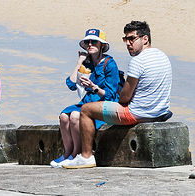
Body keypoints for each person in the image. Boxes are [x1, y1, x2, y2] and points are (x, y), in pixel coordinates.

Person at [68, 20, 172, 169]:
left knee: (86, 110)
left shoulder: (138, 61)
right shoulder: (162, 56)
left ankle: (86, 156)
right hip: (160, 111)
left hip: (137, 114)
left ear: (145, 39)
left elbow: (124, 98)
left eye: (132, 39)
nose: (128, 43)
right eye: (125, 39)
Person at [54, 29, 123, 168]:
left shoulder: (109, 64)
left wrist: (93, 87)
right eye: (87, 42)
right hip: (88, 101)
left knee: (74, 116)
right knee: (63, 116)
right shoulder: (88, 62)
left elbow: (110, 94)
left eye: (94, 42)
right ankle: (67, 153)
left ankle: (76, 153)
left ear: (102, 45)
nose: (90, 44)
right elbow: (71, 84)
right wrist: (80, 61)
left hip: (104, 103)